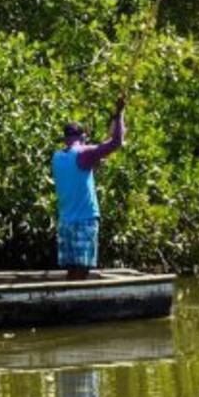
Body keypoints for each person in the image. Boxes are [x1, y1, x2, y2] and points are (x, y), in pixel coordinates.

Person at [52, 97, 125, 279]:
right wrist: (120, 113)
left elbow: (86, 164)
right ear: (82, 137)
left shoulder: (57, 157)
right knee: (82, 270)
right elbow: (116, 142)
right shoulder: (84, 154)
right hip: (84, 220)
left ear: (65, 139)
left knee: (72, 270)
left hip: (65, 222)